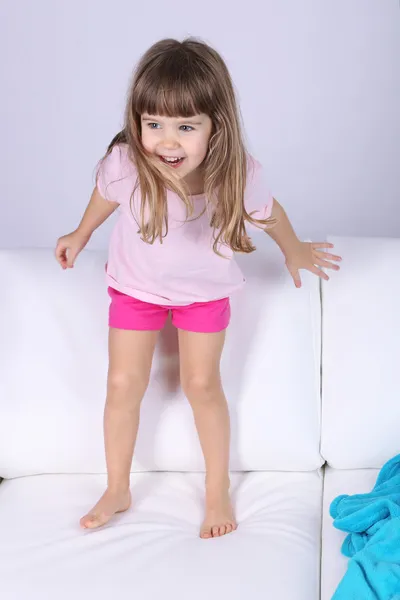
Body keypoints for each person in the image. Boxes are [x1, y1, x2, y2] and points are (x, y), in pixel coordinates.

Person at [55, 37, 342, 539]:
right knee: (122, 384)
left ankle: (216, 490)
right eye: (154, 125)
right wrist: (80, 235)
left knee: (201, 385)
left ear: (217, 127)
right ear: (137, 121)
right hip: (135, 289)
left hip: (204, 295)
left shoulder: (235, 174)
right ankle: (117, 486)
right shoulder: (126, 163)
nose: (168, 142)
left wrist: (294, 248)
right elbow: (103, 197)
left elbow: (270, 215)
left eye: (186, 127)